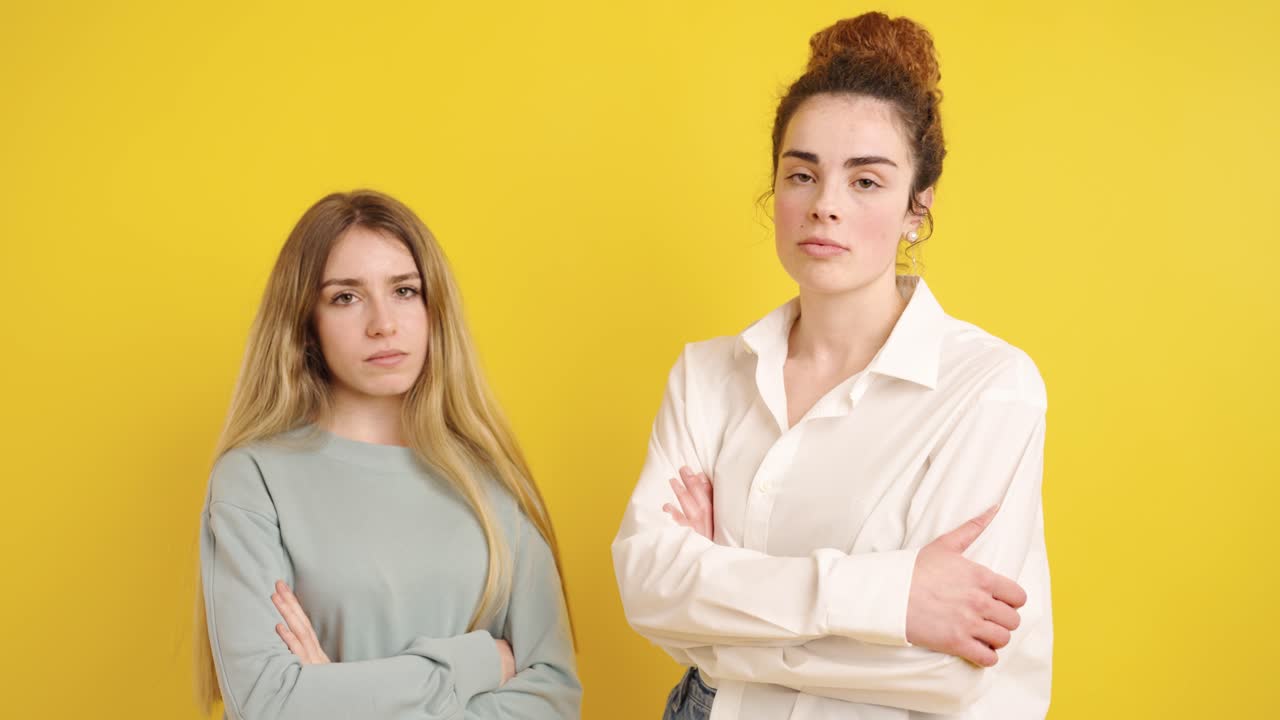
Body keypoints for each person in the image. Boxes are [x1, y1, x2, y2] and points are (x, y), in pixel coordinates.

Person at [612, 12, 1051, 720]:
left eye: (866, 181)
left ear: (918, 207)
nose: (825, 207)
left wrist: (717, 609)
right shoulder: (705, 378)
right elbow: (647, 587)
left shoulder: (990, 389)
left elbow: (949, 667)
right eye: (802, 174)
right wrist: (890, 595)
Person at [193, 189, 581, 719]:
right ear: (306, 321)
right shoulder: (254, 479)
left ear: (433, 305)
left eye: (404, 290)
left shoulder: (491, 479)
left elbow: (554, 699)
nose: (383, 323)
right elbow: (271, 704)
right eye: (346, 297)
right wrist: (476, 662)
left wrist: (335, 692)